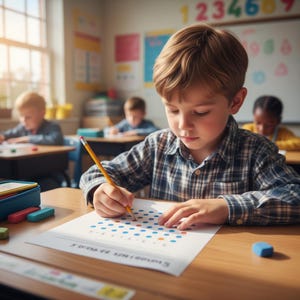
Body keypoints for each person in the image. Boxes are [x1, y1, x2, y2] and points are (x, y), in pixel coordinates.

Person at [80, 23, 300, 229]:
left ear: (235, 101)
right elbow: (97, 173)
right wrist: (100, 189)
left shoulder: (255, 151)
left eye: (201, 112)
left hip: (223, 263)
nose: (183, 126)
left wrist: (226, 207)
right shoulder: (158, 146)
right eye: (173, 110)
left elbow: (294, 195)